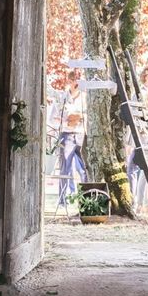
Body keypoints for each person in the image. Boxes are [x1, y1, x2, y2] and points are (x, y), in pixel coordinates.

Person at [51, 70, 88, 206]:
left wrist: (81, 118)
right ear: (70, 82)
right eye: (75, 81)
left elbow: (89, 117)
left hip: (81, 134)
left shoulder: (85, 98)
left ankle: (85, 199)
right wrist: (66, 121)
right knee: (65, 168)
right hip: (66, 135)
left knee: (84, 169)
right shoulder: (62, 97)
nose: (78, 84)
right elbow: (53, 119)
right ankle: (62, 200)